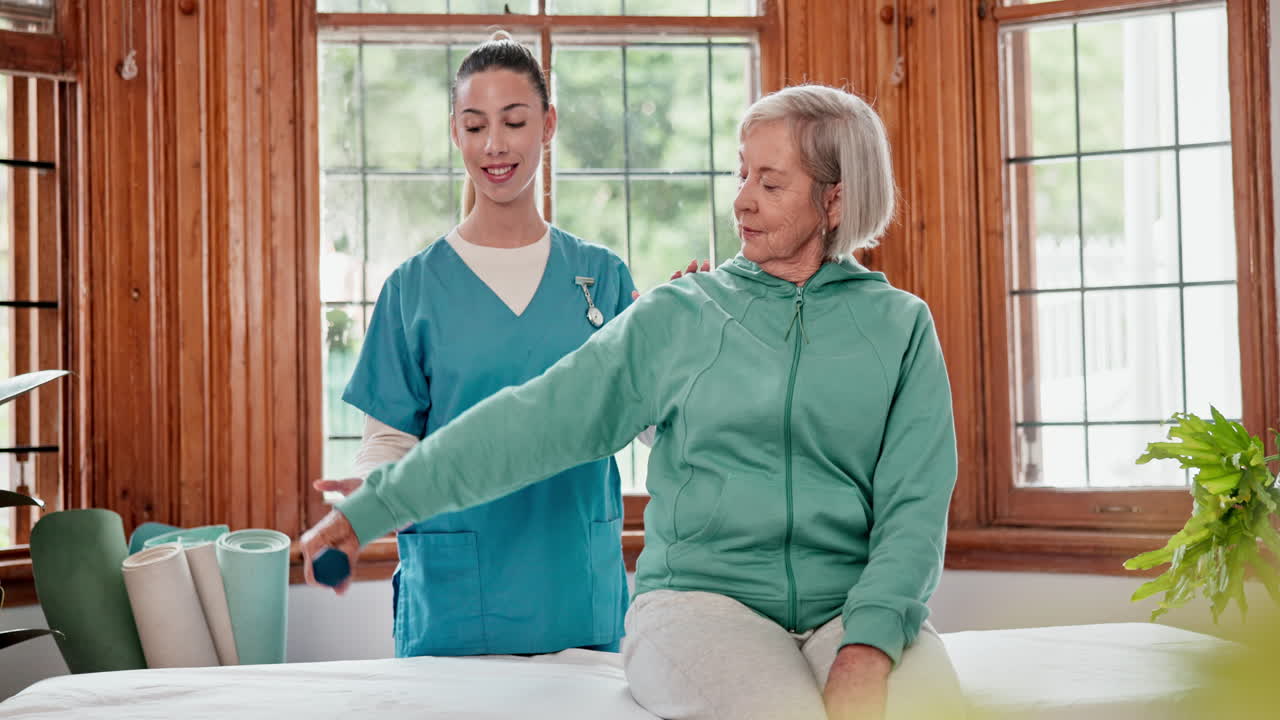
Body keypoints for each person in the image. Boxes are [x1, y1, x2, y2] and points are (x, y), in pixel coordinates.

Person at [303, 84, 967, 719]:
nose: (742, 201)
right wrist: (377, 502)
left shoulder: (899, 327)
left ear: (835, 200)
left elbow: (915, 508)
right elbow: (531, 421)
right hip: (703, 607)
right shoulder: (685, 314)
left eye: (771, 183)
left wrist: (868, 644)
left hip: (850, 605)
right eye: (741, 175)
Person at [322, 30, 640, 658]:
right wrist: (375, 493)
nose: (494, 145)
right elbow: (388, 441)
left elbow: (653, 421)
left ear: (548, 125)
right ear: (455, 134)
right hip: (455, 605)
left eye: (514, 121)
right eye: (474, 126)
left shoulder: (602, 278)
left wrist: (692, 329)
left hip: (575, 591)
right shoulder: (414, 289)